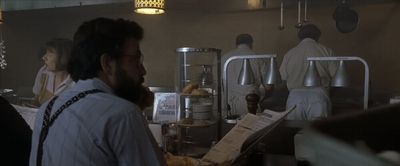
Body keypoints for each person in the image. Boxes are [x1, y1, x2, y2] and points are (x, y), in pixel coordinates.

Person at [29, 18, 165, 166]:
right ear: (107, 63)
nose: (142, 70)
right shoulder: (124, 114)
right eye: (135, 60)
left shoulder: (46, 110)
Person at [279, 24, 337, 120]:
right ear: (318, 36)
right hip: (318, 97)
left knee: (293, 133)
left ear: (299, 37)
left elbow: (282, 79)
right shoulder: (326, 51)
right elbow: (336, 76)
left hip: (295, 98)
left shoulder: (289, 54)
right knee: (318, 133)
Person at [221, 33, 273, 117]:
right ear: (251, 43)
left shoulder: (225, 58)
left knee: (230, 129)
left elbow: (219, 86)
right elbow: (268, 86)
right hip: (249, 105)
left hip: (227, 105)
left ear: (236, 44)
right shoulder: (258, 57)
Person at [31, 38, 74, 107]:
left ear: (64, 57)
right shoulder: (43, 72)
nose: (44, 57)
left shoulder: (75, 82)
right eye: (46, 53)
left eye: (50, 54)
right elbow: (36, 100)